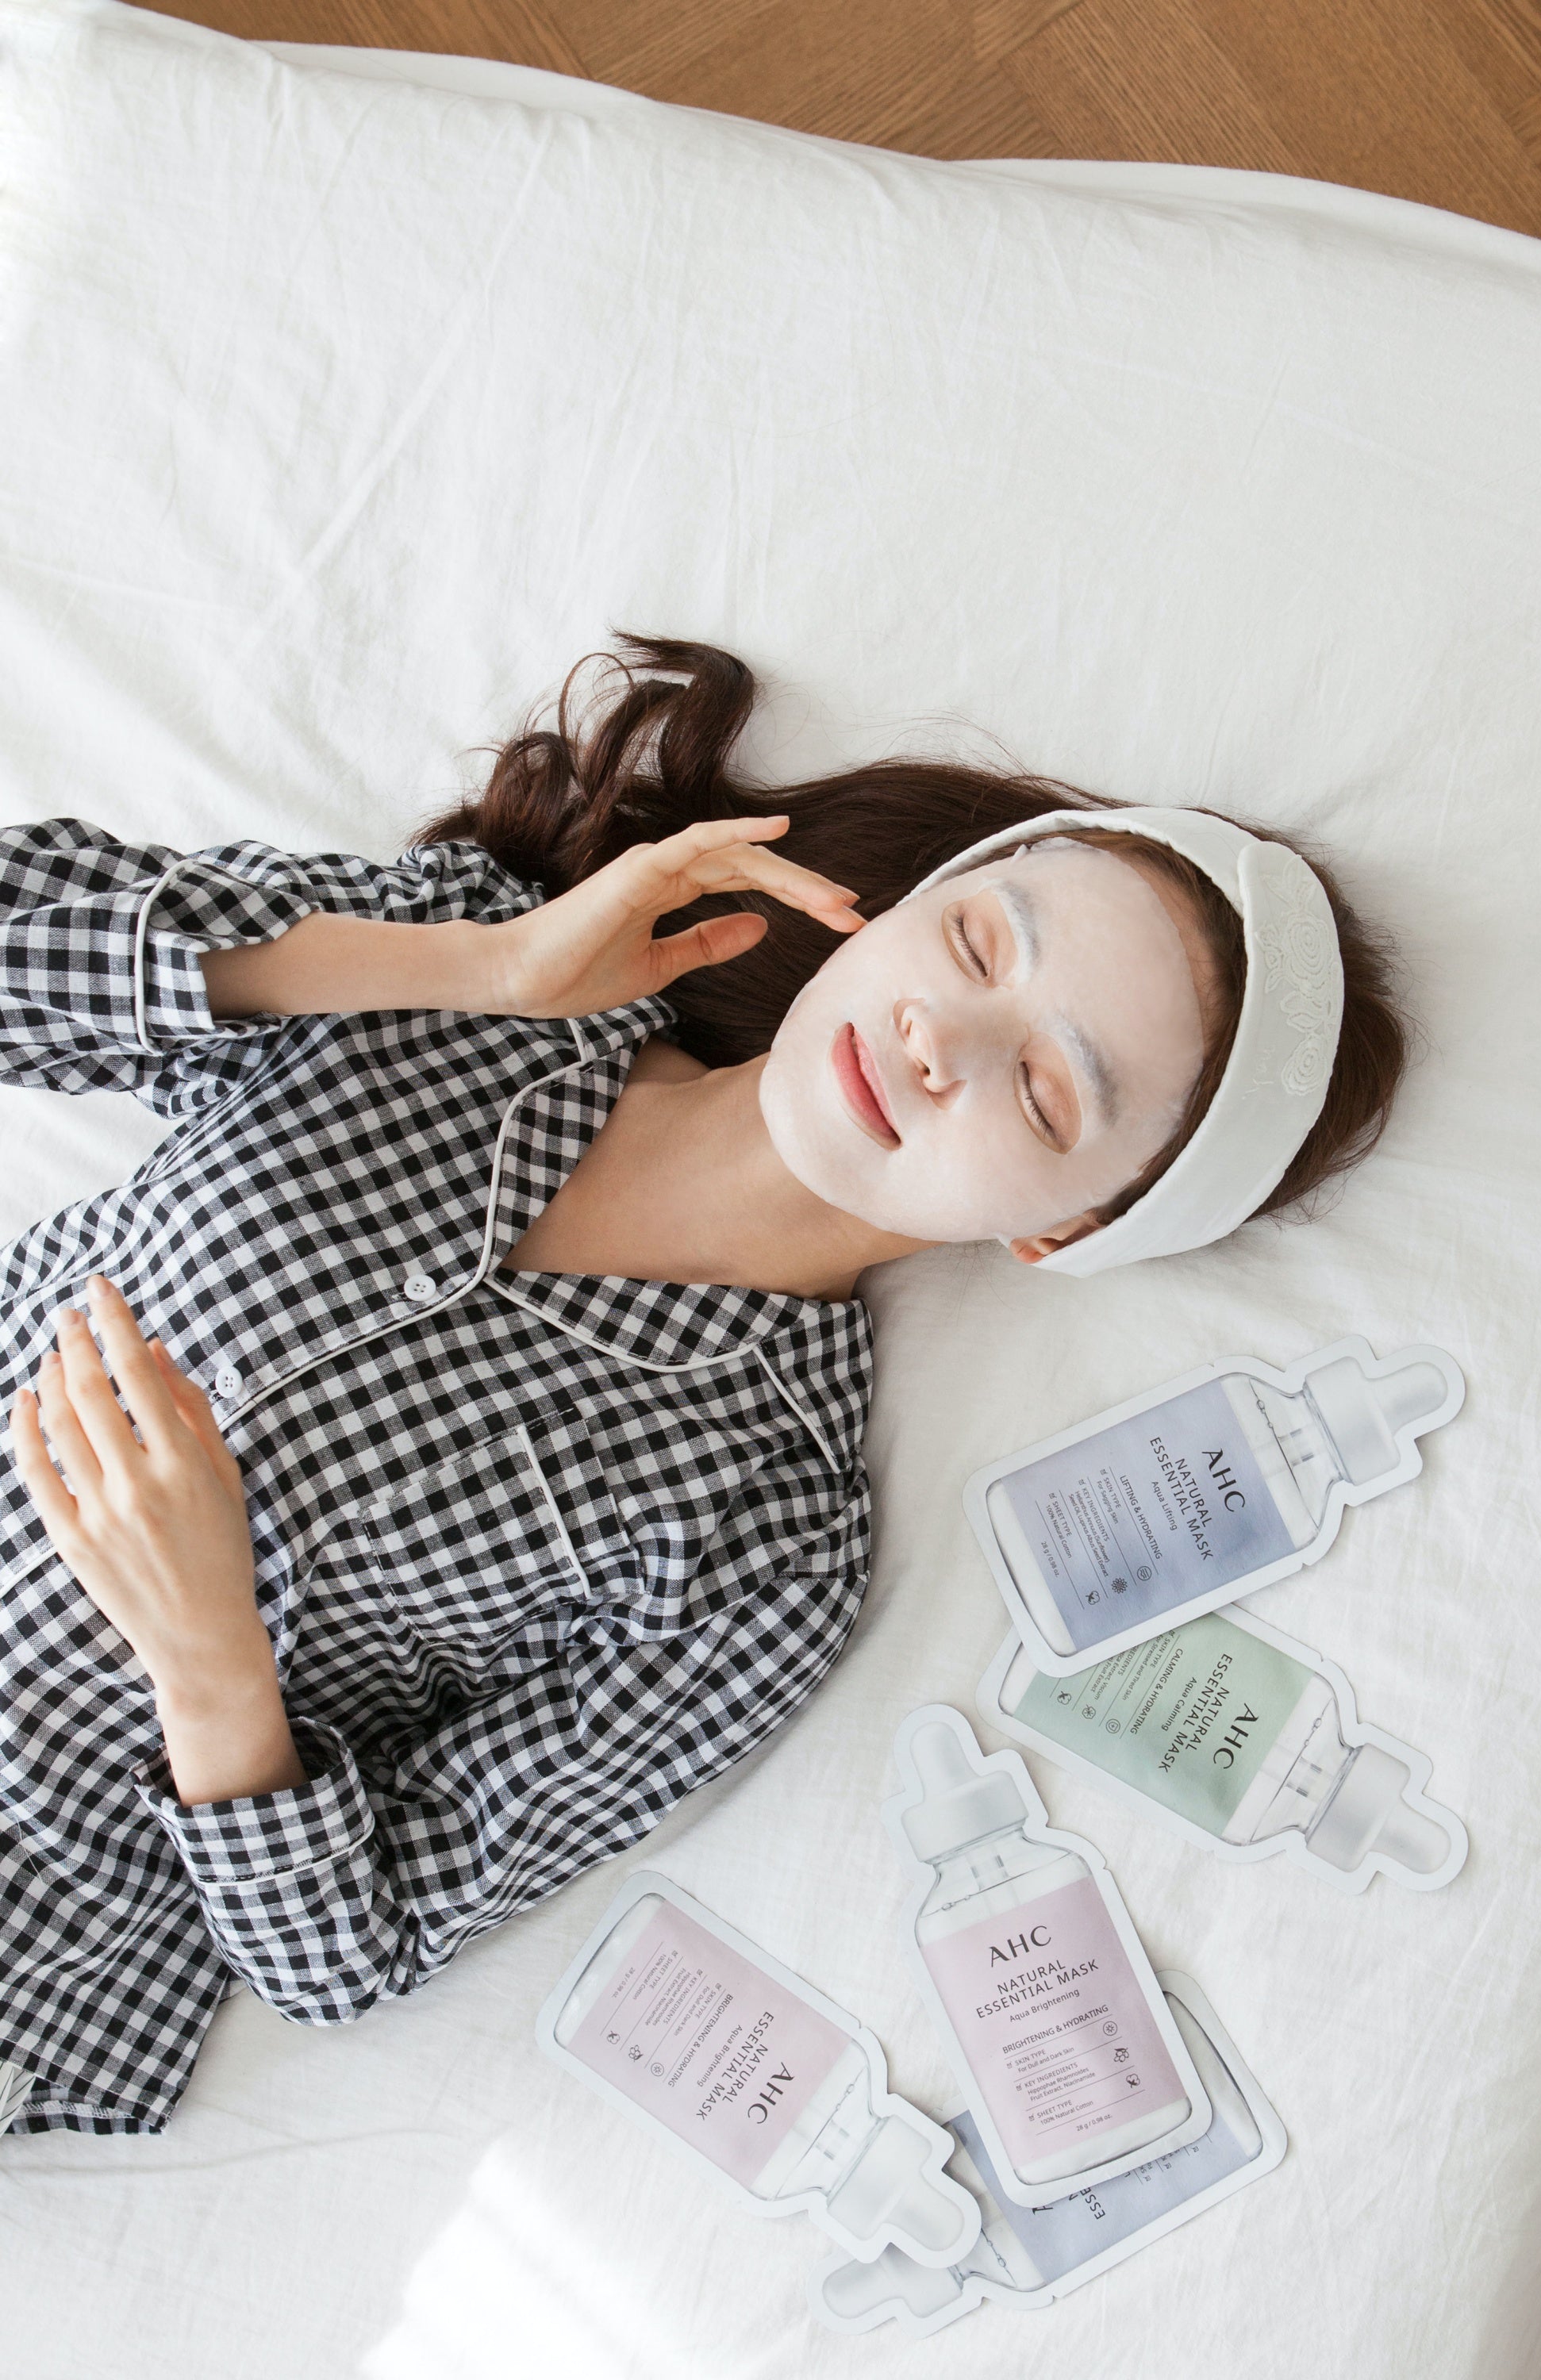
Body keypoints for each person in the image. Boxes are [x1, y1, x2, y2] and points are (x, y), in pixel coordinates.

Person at [0, 638, 1408, 2135]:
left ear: (1062, 1231)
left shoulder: (767, 1548)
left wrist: (210, 1656)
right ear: (901, 913)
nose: (947, 1044)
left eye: (1050, 1092)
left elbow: (352, 1947)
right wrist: (475, 966)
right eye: (982, 947)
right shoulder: (465, 971)